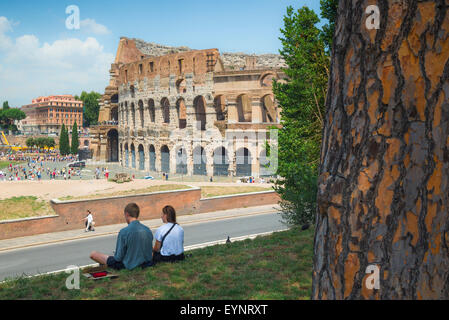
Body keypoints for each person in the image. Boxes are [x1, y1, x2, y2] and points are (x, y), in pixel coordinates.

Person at [90, 203, 153, 270]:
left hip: (128, 266)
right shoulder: (147, 230)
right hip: (146, 264)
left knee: (93, 254)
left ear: (126, 214)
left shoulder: (124, 232)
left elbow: (118, 257)